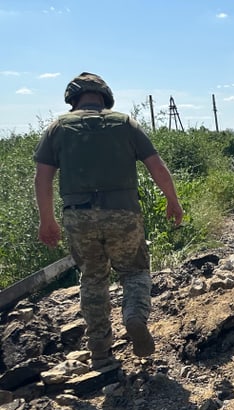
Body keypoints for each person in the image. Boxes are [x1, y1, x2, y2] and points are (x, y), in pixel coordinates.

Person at [33, 72, 184, 367]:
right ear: (104, 96)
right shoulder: (126, 124)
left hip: (79, 217)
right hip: (123, 212)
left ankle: (100, 350)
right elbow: (156, 165)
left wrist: (46, 221)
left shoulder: (57, 128)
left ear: (73, 99)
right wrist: (172, 200)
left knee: (92, 278)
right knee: (134, 272)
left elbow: (42, 178)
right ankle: (134, 316)